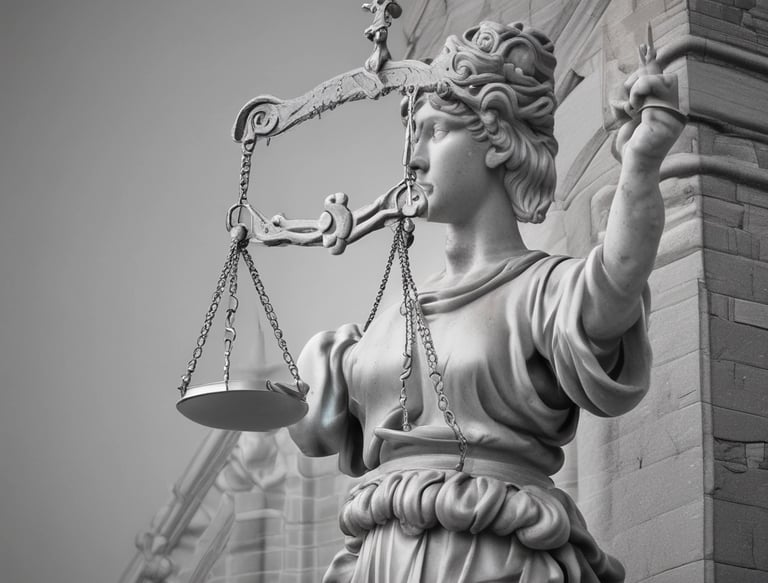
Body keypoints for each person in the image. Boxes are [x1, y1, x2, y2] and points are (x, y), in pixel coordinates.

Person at [288, 20, 684, 583]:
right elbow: (312, 427)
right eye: (411, 137)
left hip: (494, 554)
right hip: (379, 560)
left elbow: (615, 286)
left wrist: (639, 166)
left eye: (435, 132)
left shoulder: (542, 292)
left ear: (496, 137)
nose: (414, 159)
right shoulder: (389, 318)